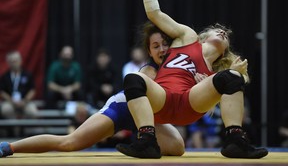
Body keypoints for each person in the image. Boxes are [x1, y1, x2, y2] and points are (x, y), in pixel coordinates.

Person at [115, 0, 268, 159]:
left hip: (190, 103)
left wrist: (233, 74)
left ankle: (236, 141)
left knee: (233, 77)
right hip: (163, 98)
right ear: (204, 37)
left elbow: (225, 96)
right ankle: (147, 142)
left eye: (226, 36)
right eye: (218, 29)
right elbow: (155, 14)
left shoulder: (218, 70)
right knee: (133, 78)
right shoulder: (187, 36)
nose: (223, 32)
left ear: (225, 50)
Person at [0, 22, 184, 158]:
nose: (162, 49)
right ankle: (9, 146)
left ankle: (141, 141)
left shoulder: (180, 68)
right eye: (156, 46)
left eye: (165, 44)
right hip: (121, 109)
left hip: (147, 121)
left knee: (178, 147)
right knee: (68, 143)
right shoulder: (149, 71)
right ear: (149, 52)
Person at [0, 51, 38, 120]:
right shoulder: (5, 76)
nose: (14, 63)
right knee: (5, 110)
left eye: (16, 60)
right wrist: (11, 100)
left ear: (20, 61)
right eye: (12, 61)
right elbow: (2, 92)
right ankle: (14, 128)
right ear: (8, 63)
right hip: (10, 102)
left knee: (32, 111)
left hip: (25, 101)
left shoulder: (27, 75)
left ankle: (26, 128)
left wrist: (25, 101)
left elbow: (32, 90)